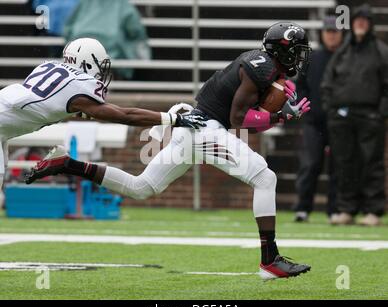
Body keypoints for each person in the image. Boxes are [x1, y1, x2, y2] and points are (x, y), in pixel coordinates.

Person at [26, 22, 313, 280]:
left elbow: (245, 123)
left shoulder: (263, 65)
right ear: (283, 49)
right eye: (297, 51)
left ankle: (69, 164)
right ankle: (269, 260)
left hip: (197, 128)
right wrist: (279, 117)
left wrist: (279, 116)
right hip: (203, 129)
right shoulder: (260, 66)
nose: (300, 58)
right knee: (265, 178)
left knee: (141, 187)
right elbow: (240, 120)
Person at [0, 37, 205, 189]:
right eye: (98, 65)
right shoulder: (78, 87)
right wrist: (172, 119)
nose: (101, 71)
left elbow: (49, 106)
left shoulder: (49, 68)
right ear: (86, 63)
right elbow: (124, 115)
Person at [321, 4, 388, 226]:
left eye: (364, 20)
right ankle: (347, 209)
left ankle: (373, 211)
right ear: (352, 23)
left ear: (370, 24)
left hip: (370, 116)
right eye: (357, 20)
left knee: (372, 163)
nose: (360, 24)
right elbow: (328, 82)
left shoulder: (381, 51)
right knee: (344, 163)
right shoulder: (343, 50)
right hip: (341, 117)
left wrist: (380, 113)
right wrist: (330, 108)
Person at [293, 15, 343, 223]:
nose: (331, 36)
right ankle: (303, 208)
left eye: (335, 32)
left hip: (340, 122)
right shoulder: (312, 59)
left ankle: (335, 210)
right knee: (310, 164)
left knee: (338, 167)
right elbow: (300, 86)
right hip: (314, 121)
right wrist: (306, 108)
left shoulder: (345, 57)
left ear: (341, 35)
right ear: (323, 34)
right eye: (328, 32)